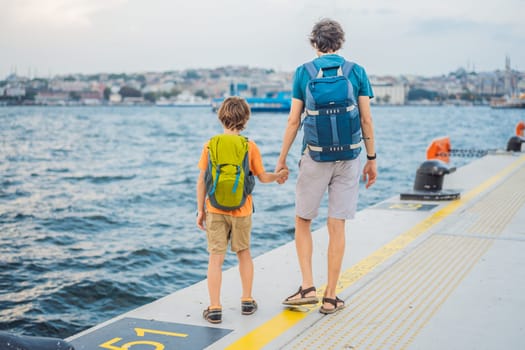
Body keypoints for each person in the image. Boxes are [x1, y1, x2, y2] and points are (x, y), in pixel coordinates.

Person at [276, 18, 377, 314]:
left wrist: (281, 160)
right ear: (341, 42)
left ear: (313, 43)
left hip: (315, 156)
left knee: (303, 221)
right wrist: (371, 159)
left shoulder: (303, 73)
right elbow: (367, 119)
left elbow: (294, 120)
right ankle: (331, 297)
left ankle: (307, 286)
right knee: (337, 225)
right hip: (349, 158)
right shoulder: (356, 71)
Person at [196, 96, 288, 324]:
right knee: (243, 253)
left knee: (215, 258)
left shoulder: (210, 145)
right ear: (245, 119)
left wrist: (200, 210)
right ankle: (247, 301)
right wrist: (278, 176)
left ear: (221, 117)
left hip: (214, 208)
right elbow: (263, 176)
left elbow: (202, 181)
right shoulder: (249, 146)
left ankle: (215, 307)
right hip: (243, 209)